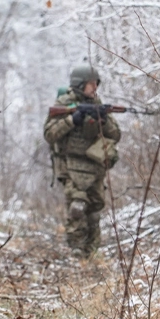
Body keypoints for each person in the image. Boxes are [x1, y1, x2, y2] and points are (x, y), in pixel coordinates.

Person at [43, 64, 121, 257]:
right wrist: (73, 120)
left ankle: (91, 251)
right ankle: (76, 252)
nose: (94, 88)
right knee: (77, 208)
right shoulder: (64, 103)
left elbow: (116, 134)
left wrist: (103, 119)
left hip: (94, 167)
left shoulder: (98, 103)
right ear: (79, 84)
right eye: (90, 84)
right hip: (70, 166)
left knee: (94, 210)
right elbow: (50, 134)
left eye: (96, 84)